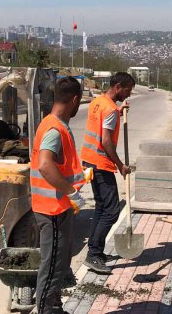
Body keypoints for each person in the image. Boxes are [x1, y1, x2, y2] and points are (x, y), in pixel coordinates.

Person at [30, 77, 87, 314]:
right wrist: (71, 192)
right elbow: (45, 165)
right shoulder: (54, 129)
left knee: (59, 265)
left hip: (57, 208)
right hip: (52, 210)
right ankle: (46, 310)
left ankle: (54, 307)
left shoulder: (52, 123)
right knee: (52, 267)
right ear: (74, 100)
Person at [81, 72, 136, 274]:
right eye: (128, 90)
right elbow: (105, 141)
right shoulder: (110, 109)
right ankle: (94, 255)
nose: (128, 94)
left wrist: (119, 113)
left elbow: (102, 123)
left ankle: (95, 250)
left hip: (88, 159)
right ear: (118, 86)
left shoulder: (98, 102)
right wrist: (120, 165)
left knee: (101, 207)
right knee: (112, 211)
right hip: (100, 164)